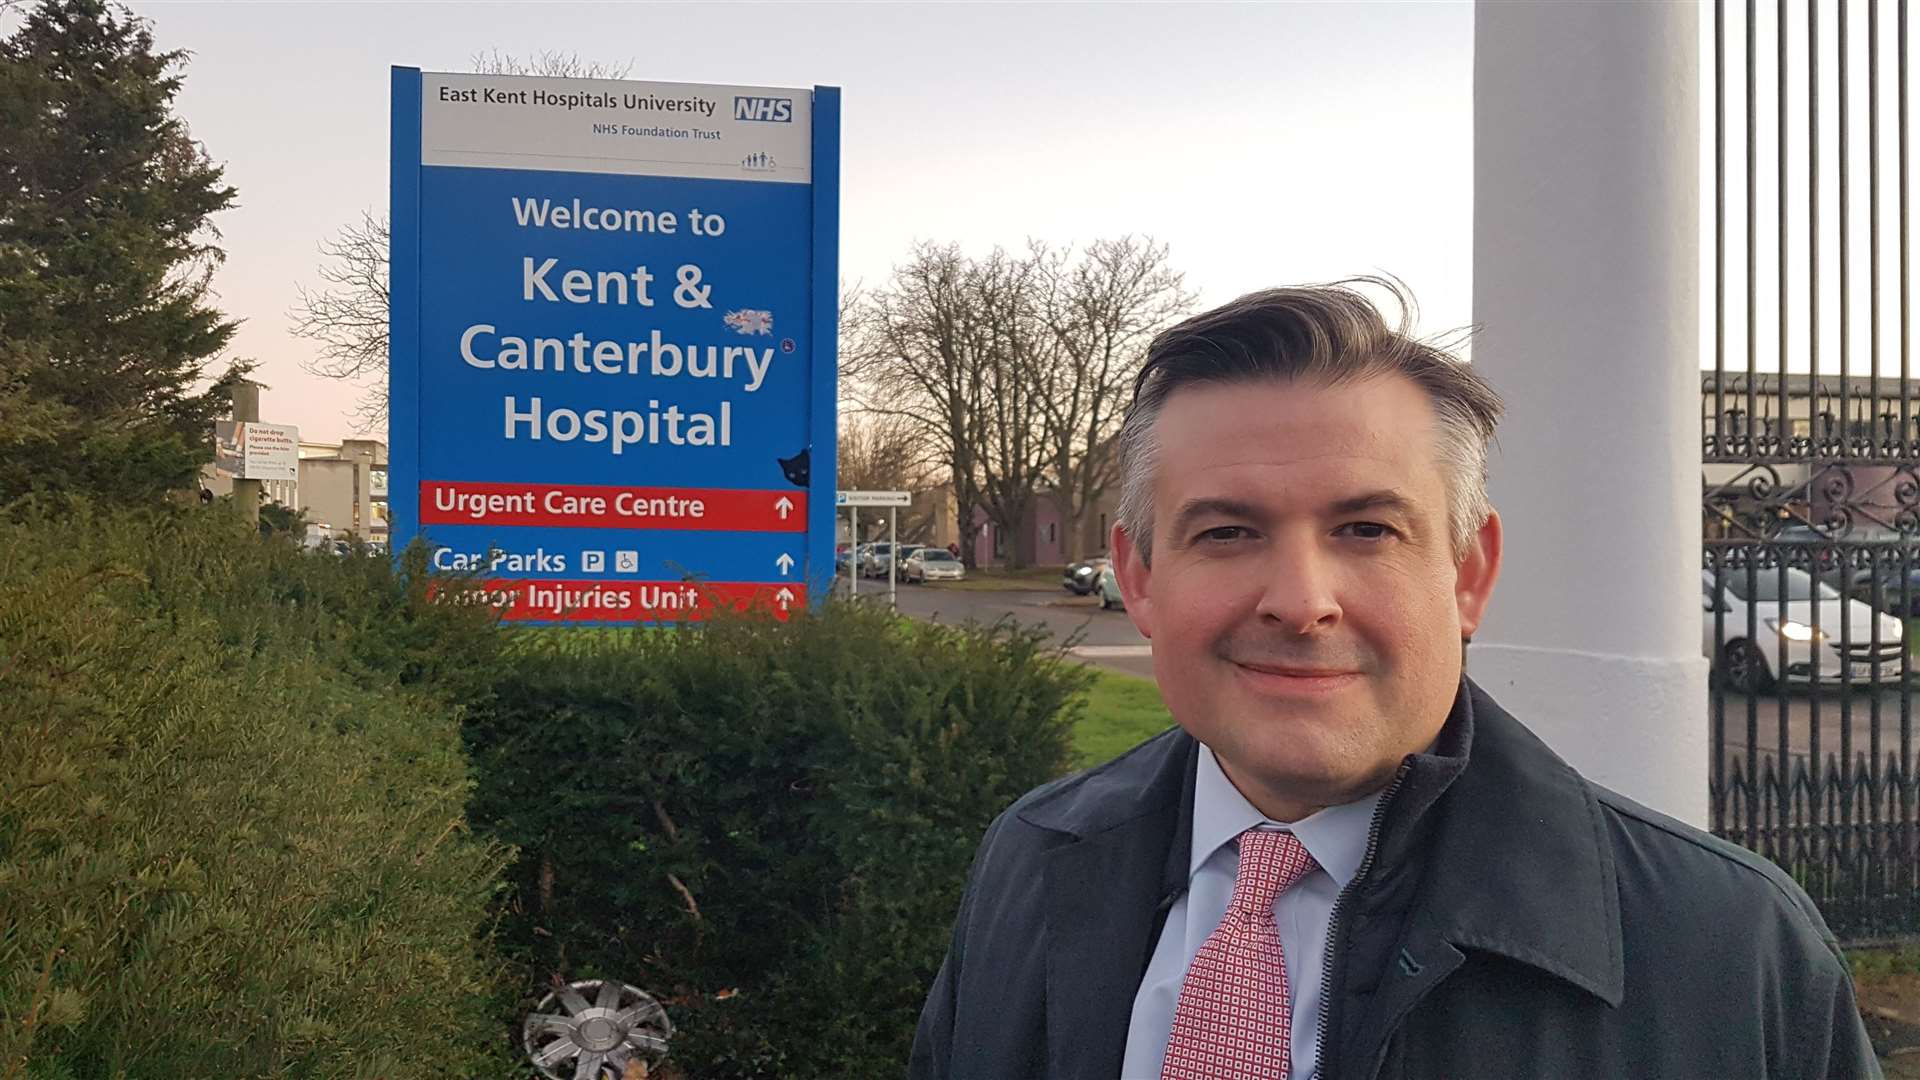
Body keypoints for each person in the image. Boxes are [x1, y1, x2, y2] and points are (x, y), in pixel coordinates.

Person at [909, 281, 1878, 1079]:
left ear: (1468, 574)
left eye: (1366, 530)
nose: (1300, 600)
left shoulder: (1732, 956)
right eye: (1228, 532)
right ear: (1140, 577)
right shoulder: (1031, 859)